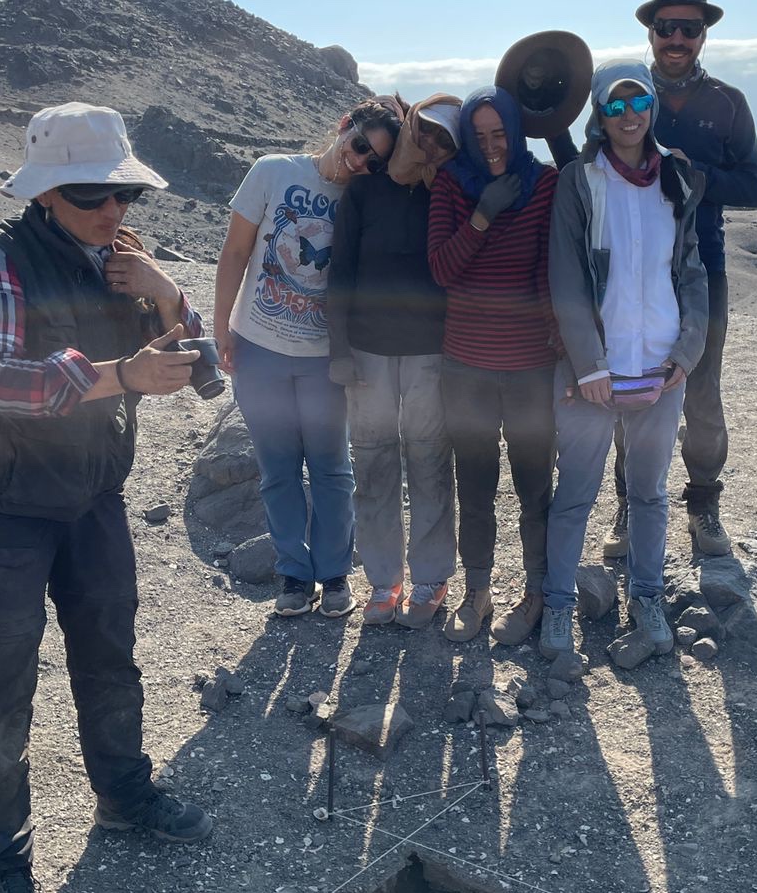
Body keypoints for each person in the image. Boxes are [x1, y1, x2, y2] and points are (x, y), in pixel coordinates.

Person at [0, 102, 213, 893]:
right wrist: (121, 374)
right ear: (44, 194)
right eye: (92, 193)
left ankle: (123, 795)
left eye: (123, 193)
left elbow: (203, 370)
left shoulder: (126, 261)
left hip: (93, 497)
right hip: (2, 508)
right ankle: (3, 860)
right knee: (0, 688)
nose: (112, 208)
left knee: (109, 657)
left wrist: (167, 294)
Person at [543, 63, 708, 661]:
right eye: (614, 106)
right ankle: (558, 604)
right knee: (576, 493)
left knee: (650, 493)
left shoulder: (677, 178)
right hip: (595, 370)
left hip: (661, 367)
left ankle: (647, 598)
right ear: (600, 114)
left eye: (637, 102)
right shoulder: (580, 181)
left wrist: (687, 353)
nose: (628, 115)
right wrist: (588, 365)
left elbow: (691, 270)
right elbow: (566, 276)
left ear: (652, 107)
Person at [213, 101, 401, 617]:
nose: (360, 162)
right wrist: (221, 327)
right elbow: (236, 252)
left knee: (330, 468)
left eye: (374, 161)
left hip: (324, 357)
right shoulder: (273, 171)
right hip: (259, 348)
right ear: (344, 126)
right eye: (359, 146)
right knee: (277, 470)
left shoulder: (365, 197)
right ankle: (293, 575)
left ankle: (334, 574)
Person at [604, 0, 757, 563]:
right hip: (631, 266)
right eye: (666, 26)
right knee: (631, 383)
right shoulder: (624, 93)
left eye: (688, 29)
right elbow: (591, 164)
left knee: (701, 389)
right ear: (651, 31)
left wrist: (692, 173)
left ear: (703, 35)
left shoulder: (728, 103)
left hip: (704, 265)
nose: (677, 38)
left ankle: (703, 506)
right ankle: (629, 502)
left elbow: (753, 187)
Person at [427, 86, 558, 645]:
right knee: (475, 486)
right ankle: (477, 590)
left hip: (530, 367)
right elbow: (442, 269)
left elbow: (549, 270)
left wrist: (560, 349)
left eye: (500, 133)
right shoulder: (451, 184)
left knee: (535, 487)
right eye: (478, 137)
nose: (491, 147)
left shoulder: (545, 184)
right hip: (467, 366)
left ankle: (536, 593)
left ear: (516, 131)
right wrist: (482, 215)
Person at [328, 99, 457, 628]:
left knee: (430, 462)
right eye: (422, 131)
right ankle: (384, 581)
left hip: (431, 351)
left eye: (443, 140)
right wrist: (338, 350)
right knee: (374, 463)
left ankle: (431, 577)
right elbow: (340, 272)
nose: (429, 145)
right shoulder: (363, 193)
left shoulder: (446, 192)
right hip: (366, 351)